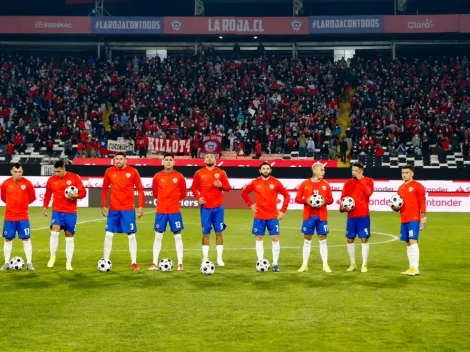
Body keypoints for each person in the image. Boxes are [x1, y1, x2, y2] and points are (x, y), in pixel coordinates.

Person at [241, 162, 290, 272]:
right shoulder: (255, 182)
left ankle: (275, 263)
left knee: (275, 238)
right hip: (259, 216)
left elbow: (287, 195)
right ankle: (260, 261)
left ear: (270, 170)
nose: (265, 170)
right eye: (263, 169)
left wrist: (283, 211)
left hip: (273, 216)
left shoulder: (276, 182)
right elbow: (244, 193)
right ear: (260, 170)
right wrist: (250, 204)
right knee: (259, 238)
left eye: (268, 168)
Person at [101, 152, 145, 271]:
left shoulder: (133, 172)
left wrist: (141, 206)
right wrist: (103, 205)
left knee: (131, 236)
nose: (118, 161)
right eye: (117, 159)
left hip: (128, 209)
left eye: (121, 159)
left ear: (126, 160)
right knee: (109, 234)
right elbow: (104, 189)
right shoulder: (109, 171)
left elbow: (140, 189)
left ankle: (134, 263)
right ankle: (105, 260)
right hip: (113, 209)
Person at [43, 160, 87, 271]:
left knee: (69, 237)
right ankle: (52, 258)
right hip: (57, 211)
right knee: (54, 232)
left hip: (71, 212)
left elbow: (83, 193)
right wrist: (45, 206)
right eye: (55, 171)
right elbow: (48, 194)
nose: (56, 174)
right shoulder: (51, 180)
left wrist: (76, 196)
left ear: (63, 169)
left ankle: (68, 262)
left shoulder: (74, 177)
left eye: (58, 171)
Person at [191, 152, 231, 266]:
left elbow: (228, 187)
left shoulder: (221, 172)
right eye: (207, 157)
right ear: (204, 161)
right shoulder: (199, 173)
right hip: (205, 208)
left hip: (218, 208)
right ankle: (205, 258)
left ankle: (219, 259)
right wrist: (198, 197)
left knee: (219, 233)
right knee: (206, 233)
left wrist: (221, 185)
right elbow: (193, 188)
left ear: (215, 160)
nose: (209, 158)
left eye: (211, 157)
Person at [149, 153, 187, 271]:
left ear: (174, 162)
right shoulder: (157, 176)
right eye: (166, 160)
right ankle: (154, 263)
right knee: (158, 237)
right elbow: (155, 193)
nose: (168, 162)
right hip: (161, 211)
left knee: (178, 237)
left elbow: (184, 193)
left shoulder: (179, 176)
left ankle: (180, 263)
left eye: (171, 160)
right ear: (163, 162)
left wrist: (174, 200)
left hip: (174, 211)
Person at [295, 163, 334, 273]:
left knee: (323, 240)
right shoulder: (304, 184)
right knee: (307, 240)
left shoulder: (326, 185)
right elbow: (297, 199)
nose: (323, 172)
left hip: (322, 217)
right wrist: (306, 201)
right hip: (308, 216)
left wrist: (323, 201)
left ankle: (325, 265)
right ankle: (304, 265)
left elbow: (331, 200)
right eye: (321, 170)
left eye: (324, 170)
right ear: (315, 171)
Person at [1, 163, 36, 271]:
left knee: (26, 239)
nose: (18, 174)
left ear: (22, 171)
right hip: (9, 217)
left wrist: (22, 205)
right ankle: (6, 262)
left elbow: (32, 198)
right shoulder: (5, 184)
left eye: (20, 172)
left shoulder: (28, 183)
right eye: (15, 172)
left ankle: (29, 263)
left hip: (23, 217)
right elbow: (3, 198)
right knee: (8, 239)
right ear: (11, 172)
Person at [340, 162, 374, 273]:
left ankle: (364, 264)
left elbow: (368, 193)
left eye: (355, 170)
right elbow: (343, 199)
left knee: (364, 239)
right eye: (352, 170)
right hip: (351, 216)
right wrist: (342, 208)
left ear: (361, 171)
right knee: (350, 239)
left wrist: (361, 180)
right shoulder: (348, 183)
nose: (353, 172)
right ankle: (352, 263)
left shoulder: (369, 181)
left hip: (363, 215)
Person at [393, 165, 426, 276]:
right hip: (404, 218)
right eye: (403, 173)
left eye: (406, 172)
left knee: (413, 240)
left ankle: (416, 268)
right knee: (407, 242)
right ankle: (411, 267)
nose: (404, 175)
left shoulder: (418, 186)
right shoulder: (400, 188)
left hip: (414, 218)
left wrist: (423, 217)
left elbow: (422, 201)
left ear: (412, 174)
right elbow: (399, 204)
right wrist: (395, 207)